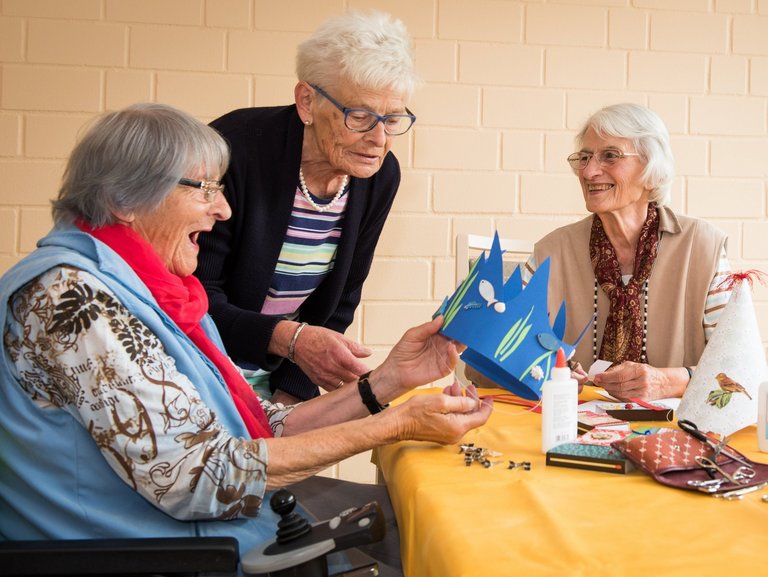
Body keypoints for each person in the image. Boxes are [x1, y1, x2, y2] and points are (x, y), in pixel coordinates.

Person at [0, 103, 492, 572]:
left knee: (437, 531)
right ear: (123, 200)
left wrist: (388, 381)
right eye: (204, 189)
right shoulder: (75, 301)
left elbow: (251, 427)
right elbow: (197, 476)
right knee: (445, 548)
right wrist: (394, 426)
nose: (223, 210)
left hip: (205, 535)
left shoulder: (153, 291)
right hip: (157, 555)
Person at [196, 10, 419, 404]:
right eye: (361, 116)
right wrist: (291, 340)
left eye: (392, 119)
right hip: (197, 371)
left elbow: (340, 300)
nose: (380, 139)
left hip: (275, 376)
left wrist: (291, 396)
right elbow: (195, 295)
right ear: (307, 102)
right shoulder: (233, 150)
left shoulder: (378, 177)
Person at [467, 103, 731, 401]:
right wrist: (545, 369)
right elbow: (482, 365)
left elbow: (739, 368)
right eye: (584, 157)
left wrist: (669, 381)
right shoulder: (551, 253)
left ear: (652, 170)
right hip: (568, 429)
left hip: (673, 435)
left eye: (610, 156)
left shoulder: (703, 248)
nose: (589, 171)